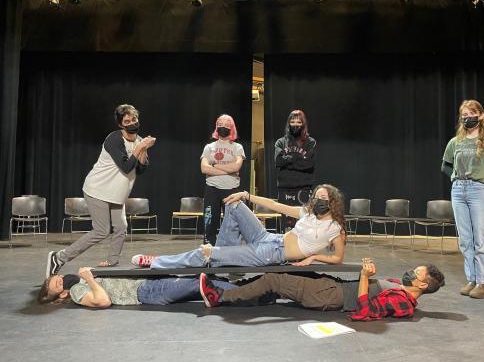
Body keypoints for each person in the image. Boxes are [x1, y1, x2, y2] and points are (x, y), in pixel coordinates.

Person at [46, 104, 156, 278]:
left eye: (134, 119)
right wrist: (140, 147)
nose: (132, 123)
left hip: (116, 194)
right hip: (98, 189)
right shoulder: (114, 139)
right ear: (121, 124)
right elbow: (127, 167)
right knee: (101, 231)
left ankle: (112, 262)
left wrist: (143, 148)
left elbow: (140, 169)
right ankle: (59, 257)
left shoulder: (139, 140)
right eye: (127, 121)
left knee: (121, 227)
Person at [131, 184, 346, 269]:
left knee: (206, 252)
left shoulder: (335, 228)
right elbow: (275, 205)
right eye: (316, 196)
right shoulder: (307, 213)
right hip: (270, 238)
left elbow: (338, 258)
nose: (318, 200)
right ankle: (224, 261)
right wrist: (246, 195)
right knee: (235, 205)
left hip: (271, 253)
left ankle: (157, 261)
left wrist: (314, 257)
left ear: (332, 201)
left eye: (323, 197)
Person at [199, 259, 445, 321]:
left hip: (332, 295)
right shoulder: (401, 287)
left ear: (422, 285)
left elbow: (364, 310)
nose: (410, 272)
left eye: (416, 273)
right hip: (334, 286)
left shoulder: (404, 304)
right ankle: (250, 297)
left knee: (273, 279)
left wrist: (364, 276)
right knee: (288, 273)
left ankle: (220, 296)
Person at [441, 99, 484, 299]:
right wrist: (456, 178)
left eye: (470, 114)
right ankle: (472, 279)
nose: (466, 118)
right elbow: (445, 166)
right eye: (463, 115)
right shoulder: (455, 142)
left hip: (478, 190)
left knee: (481, 239)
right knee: (465, 240)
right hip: (458, 191)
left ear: (480, 115)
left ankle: (483, 282)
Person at [38, 267, 237, 308]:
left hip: (145, 281)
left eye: (59, 276)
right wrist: (90, 279)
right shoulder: (75, 292)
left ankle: (241, 289)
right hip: (144, 291)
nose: (61, 278)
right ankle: (246, 293)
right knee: (198, 283)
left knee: (199, 280)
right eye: (57, 283)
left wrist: (102, 271)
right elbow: (102, 300)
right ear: (61, 293)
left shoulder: (78, 283)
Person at [200, 114, 245, 245]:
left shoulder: (238, 147)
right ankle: (208, 250)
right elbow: (204, 169)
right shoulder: (209, 147)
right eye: (220, 124)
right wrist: (228, 169)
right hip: (212, 188)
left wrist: (215, 166)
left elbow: (237, 166)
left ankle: (230, 251)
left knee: (232, 223)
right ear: (216, 127)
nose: (223, 127)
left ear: (232, 128)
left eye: (226, 125)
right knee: (210, 222)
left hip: (231, 189)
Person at [274, 110, 316, 230]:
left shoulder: (310, 142)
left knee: (303, 225)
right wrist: (297, 157)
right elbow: (278, 162)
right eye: (292, 121)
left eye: (299, 121)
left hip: (303, 190)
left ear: (303, 123)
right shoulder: (280, 142)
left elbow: (309, 164)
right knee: (286, 226)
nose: (295, 124)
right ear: (288, 123)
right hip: (284, 189)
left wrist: (287, 161)